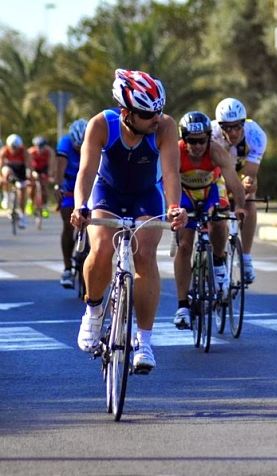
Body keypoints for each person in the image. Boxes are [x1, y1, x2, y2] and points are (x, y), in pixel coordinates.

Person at [71, 69, 188, 374]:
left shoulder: (164, 127)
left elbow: (172, 173)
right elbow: (85, 171)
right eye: (148, 114)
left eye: (158, 112)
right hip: (106, 194)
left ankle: (144, 341)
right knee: (101, 249)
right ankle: (94, 313)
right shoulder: (101, 125)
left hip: (145, 196)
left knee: (146, 255)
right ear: (126, 112)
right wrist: (80, 205)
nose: (156, 119)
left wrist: (175, 207)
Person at [172, 111, 248, 329]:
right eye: (191, 141)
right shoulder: (176, 153)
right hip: (184, 193)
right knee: (185, 245)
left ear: (209, 138)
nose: (197, 146)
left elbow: (233, 181)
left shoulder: (216, 151)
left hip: (211, 191)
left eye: (202, 141)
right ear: (183, 139)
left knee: (218, 220)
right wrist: (173, 209)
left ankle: (217, 261)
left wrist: (240, 206)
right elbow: (168, 183)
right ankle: (183, 306)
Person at [210, 98, 267, 284]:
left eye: (237, 126)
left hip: (241, 170)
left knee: (250, 193)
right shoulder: (210, 133)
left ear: (244, 123)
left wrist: (243, 190)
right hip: (218, 173)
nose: (233, 132)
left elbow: (249, 174)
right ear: (220, 126)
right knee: (218, 204)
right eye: (227, 127)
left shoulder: (256, 135)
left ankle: (246, 257)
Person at [53, 119, 88, 288]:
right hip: (70, 186)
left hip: (89, 186)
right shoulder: (65, 143)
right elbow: (59, 169)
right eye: (77, 148)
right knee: (68, 225)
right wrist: (57, 186)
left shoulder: (96, 139)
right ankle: (67, 268)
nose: (80, 151)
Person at [1, 134, 31, 228]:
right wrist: (2, 179)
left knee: (22, 193)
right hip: (9, 170)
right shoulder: (4, 151)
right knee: (6, 173)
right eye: (12, 148)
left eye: (16, 148)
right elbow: (1, 166)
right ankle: (6, 196)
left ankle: (22, 216)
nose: (14, 150)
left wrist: (29, 176)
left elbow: (28, 166)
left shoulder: (24, 151)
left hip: (21, 172)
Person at [27, 136, 55, 217]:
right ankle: (30, 202)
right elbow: (28, 164)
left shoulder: (49, 152)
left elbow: (52, 164)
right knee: (32, 186)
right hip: (34, 168)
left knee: (44, 187)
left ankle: (45, 207)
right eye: (38, 147)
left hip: (44, 169)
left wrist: (49, 175)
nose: (40, 149)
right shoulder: (31, 152)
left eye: (42, 147)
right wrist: (32, 173)